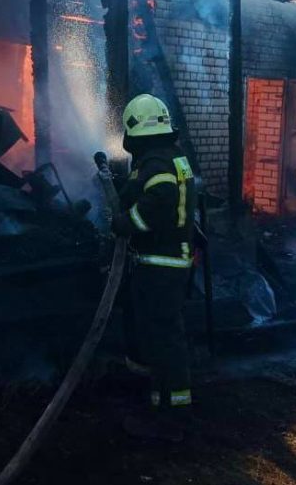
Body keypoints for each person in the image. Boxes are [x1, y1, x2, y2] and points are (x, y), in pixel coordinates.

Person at [111, 93, 197, 439]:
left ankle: (171, 416)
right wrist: (121, 187)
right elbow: (141, 187)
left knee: (162, 340)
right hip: (170, 263)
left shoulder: (158, 164)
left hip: (161, 266)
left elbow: (156, 207)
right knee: (162, 337)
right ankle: (165, 404)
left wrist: (124, 223)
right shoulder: (167, 157)